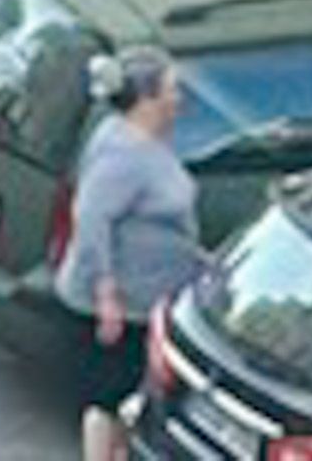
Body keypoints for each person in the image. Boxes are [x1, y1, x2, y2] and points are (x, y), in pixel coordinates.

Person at [54, 48, 202, 461]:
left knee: (126, 396)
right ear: (148, 99)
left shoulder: (138, 140)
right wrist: (107, 293)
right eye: (172, 89)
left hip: (148, 299)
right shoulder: (125, 156)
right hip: (124, 306)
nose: (180, 97)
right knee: (108, 396)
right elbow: (91, 217)